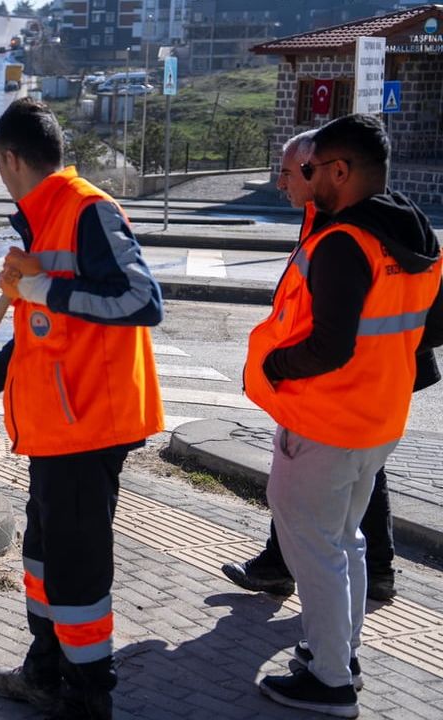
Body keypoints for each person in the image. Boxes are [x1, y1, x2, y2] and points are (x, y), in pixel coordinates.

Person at [0, 98, 164, 719]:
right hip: (56, 429)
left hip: (89, 428)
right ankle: (45, 670)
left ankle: (88, 698)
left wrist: (40, 286)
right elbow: (37, 338)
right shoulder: (45, 221)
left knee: (76, 570)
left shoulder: (87, 211)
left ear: (10, 159)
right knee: (41, 558)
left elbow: (142, 300)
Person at [246, 113, 442, 717]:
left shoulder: (342, 243)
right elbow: (433, 326)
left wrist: (275, 366)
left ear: (339, 170)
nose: (305, 180)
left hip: (325, 422)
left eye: (309, 169)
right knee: (345, 542)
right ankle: (338, 654)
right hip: (379, 418)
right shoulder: (414, 233)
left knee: (318, 551)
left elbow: (329, 346)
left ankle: (330, 680)